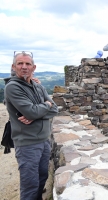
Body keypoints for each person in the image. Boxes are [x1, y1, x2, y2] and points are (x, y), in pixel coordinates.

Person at [4, 51, 58, 200]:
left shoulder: (38, 86)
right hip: (27, 144)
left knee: (42, 176)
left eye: (28, 64)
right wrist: (43, 106)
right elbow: (32, 111)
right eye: (20, 63)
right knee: (30, 184)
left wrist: (35, 115)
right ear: (14, 67)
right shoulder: (13, 87)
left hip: (44, 140)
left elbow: (54, 109)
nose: (24, 67)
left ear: (33, 67)